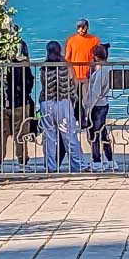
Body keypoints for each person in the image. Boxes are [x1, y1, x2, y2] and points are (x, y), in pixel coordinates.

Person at [39, 41, 87, 172]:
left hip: (47, 101)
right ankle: (78, 165)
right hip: (63, 101)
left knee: (48, 136)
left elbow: (43, 83)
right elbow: (75, 82)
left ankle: (50, 166)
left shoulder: (44, 66)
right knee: (69, 135)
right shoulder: (66, 65)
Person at [0, 39, 35, 171]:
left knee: (1, 133)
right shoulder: (23, 65)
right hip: (20, 102)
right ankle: (22, 162)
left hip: (2, 102)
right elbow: (29, 81)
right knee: (21, 133)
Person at [85, 44, 118, 171]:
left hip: (97, 105)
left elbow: (95, 92)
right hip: (104, 104)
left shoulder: (101, 71)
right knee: (103, 133)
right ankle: (110, 160)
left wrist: (87, 107)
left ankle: (97, 161)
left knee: (94, 134)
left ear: (96, 57)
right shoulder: (108, 68)